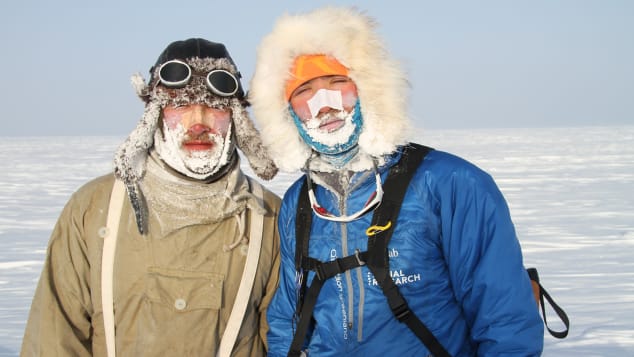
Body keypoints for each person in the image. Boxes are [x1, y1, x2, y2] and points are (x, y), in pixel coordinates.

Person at [249, 7, 544, 356]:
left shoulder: (449, 184)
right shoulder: (300, 202)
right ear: (285, 113)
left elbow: (505, 320)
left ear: (370, 88)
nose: (323, 104)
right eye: (304, 90)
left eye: (338, 82)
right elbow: (288, 320)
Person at [21, 38, 281, 356]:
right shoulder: (93, 208)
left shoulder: (269, 217)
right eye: (180, 105)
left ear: (237, 118)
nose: (198, 122)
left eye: (215, 106)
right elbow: (54, 339)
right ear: (154, 115)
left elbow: (283, 339)